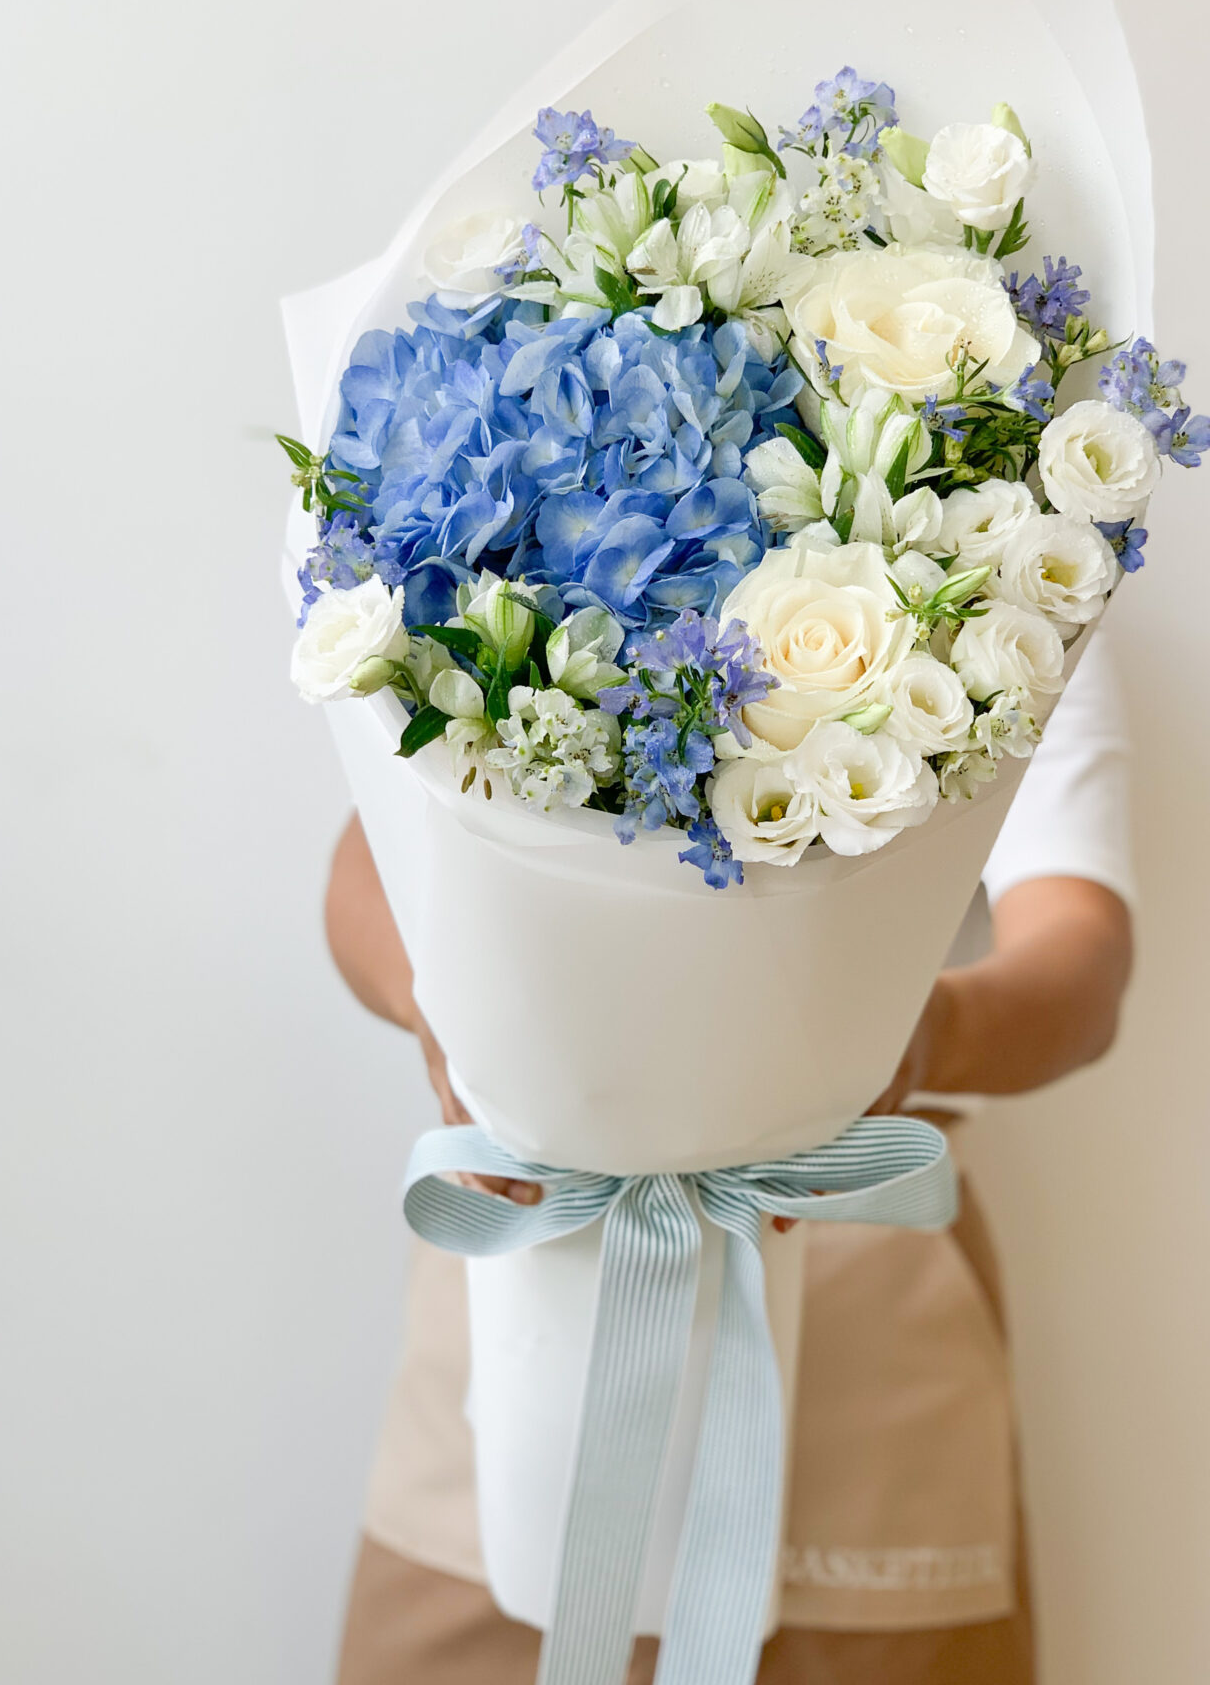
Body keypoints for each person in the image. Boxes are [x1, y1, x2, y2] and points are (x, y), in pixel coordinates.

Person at [324, 636, 1135, 1685]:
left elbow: (1080, 963)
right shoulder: (522, 565)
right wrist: (450, 1017)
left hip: (853, 1282)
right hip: (532, 1248)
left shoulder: (1013, 598)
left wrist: (906, 1037)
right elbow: (373, 862)